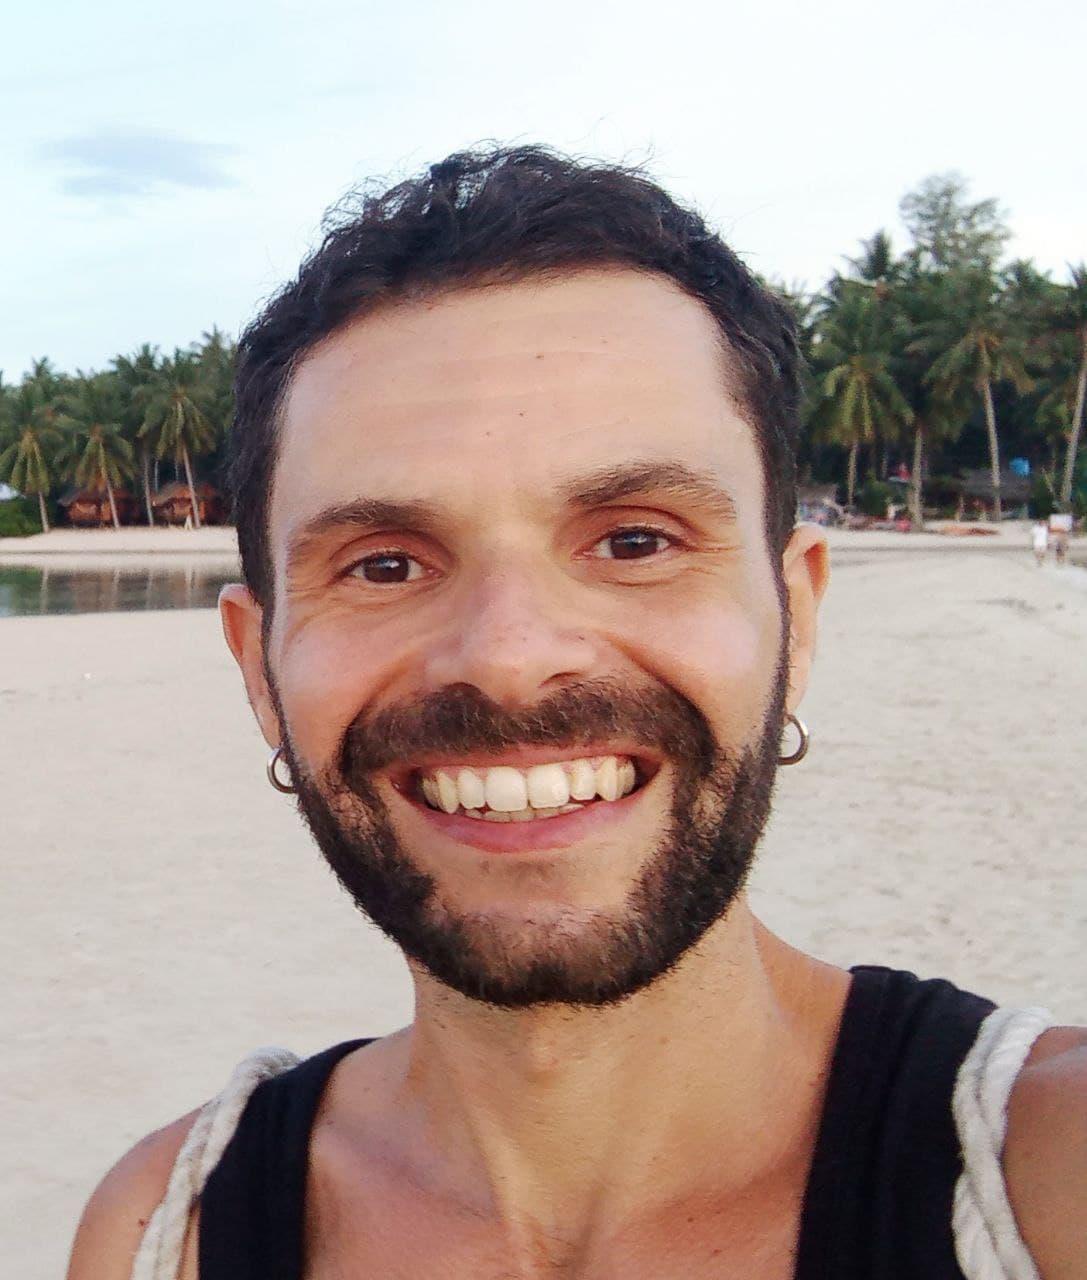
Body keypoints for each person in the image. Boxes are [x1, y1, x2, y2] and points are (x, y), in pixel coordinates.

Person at [68, 147, 1086, 1280]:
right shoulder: (165, 1230)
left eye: (635, 541)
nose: (509, 660)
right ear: (259, 671)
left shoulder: (1041, 1175)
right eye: (386, 564)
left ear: (794, 617)